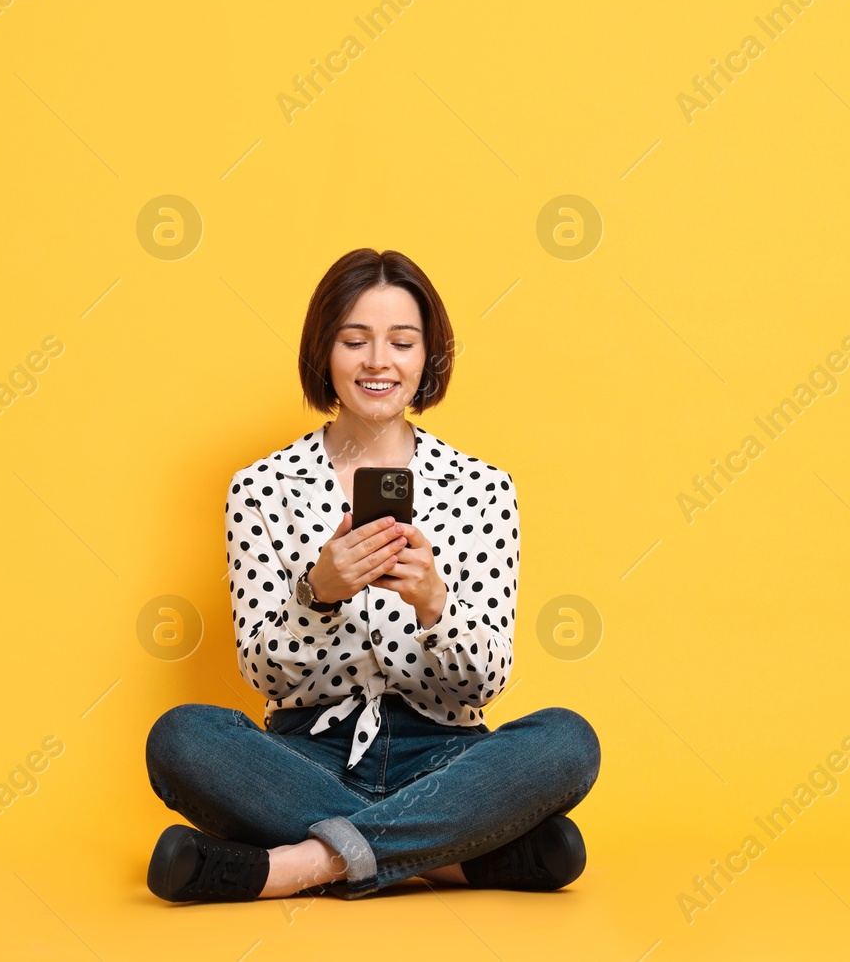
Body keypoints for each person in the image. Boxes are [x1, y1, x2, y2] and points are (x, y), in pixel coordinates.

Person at [144, 248, 600, 902]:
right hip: (306, 756)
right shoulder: (261, 488)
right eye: (354, 340)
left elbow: (488, 680)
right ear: (324, 353)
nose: (378, 362)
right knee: (182, 737)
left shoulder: (484, 488)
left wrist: (436, 603)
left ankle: (299, 866)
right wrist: (316, 593)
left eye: (402, 342)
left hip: (445, 759)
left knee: (566, 740)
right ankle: (449, 854)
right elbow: (262, 672)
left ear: (428, 356)